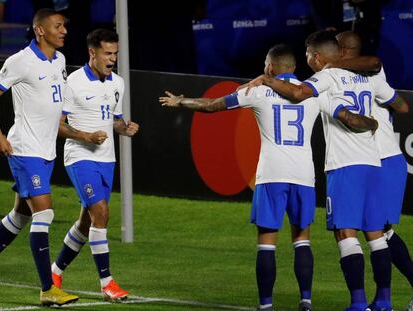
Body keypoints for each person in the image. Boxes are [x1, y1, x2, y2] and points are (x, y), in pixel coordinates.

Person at [160, 43, 376, 311]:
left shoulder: (258, 90)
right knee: (302, 240)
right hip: (303, 176)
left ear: (271, 68)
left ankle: (266, 305)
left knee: (267, 243)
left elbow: (213, 106)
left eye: (265, 64)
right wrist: (373, 122)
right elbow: (349, 118)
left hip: (271, 175)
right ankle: (306, 301)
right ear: (294, 67)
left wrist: (181, 101)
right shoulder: (314, 92)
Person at [243, 30, 403, 311]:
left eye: (307, 55)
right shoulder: (368, 75)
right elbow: (399, 104)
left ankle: (358, 303)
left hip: (345, 165)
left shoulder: (326, 77)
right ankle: (385, 301)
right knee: (377, 235)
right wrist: (374, 124)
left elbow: (297, 92)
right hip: (373, 163)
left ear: (317, 57)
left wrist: (267, 79)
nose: (305, 60)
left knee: (345, 234)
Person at [50, 28, 139, 302]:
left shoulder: (118, 83)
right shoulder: (73, 83)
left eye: (115, 53)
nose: (112, 59)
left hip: (106, 159)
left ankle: (54, 271)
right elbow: (58, 125)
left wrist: (124, 129)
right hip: (79, 156)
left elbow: (112, 120)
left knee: (86, 222)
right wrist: (85, 137)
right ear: (92, 52)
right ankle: (107, 283)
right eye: (107, 53)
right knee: (101, 213)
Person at [0, 8, 78, 306]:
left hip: (46, 151)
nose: (64, 31)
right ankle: (48, 289)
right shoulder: (20, 61)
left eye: (64, 26)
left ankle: (48, 289)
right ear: (40, 30)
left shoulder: (58, 61)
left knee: (19, 216)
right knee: (44, 212)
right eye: (58, 26)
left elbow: (60, 102)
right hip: (24, 149)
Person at [336, 31, 413, 311]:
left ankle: (376, 301)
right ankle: (382, 301)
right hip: (377, 158)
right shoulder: (352, 75)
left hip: (380, 158)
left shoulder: (369, 72)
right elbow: (402, 105)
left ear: (345, 51)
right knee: (381, 231)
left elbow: (374, 62)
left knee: (374, 231)